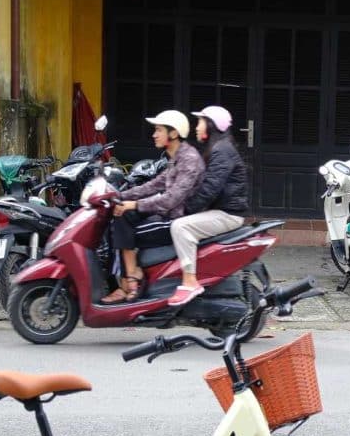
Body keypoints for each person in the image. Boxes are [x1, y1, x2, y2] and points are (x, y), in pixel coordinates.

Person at [102, 109, 205, 304]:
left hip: (175, 219)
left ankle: (130, 280)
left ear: (173, 133)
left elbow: (171, 199)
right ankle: (128, 277)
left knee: (124, 226)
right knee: (120, 216)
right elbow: (154, 185)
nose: (154, 134)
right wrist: (118, 195)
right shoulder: (176, 158)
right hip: (166, 214)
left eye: (158, 130)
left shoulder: (189, 160)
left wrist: (134, 204)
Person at [166, 105, 248, 307]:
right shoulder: (217, 148)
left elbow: (209, 189)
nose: (196, 127)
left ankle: (189, 281)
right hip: (220, 210)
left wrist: (184, 210)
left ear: (212, 125)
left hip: (228, 214)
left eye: (200, 122)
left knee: (180, 226)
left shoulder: (222, 150)